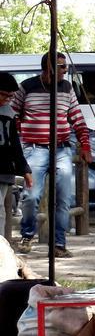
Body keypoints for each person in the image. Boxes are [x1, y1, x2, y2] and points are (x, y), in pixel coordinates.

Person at [11, 52, 91, 258]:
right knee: (31, 196)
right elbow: (12, 113)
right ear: (49, 68)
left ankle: (59, 244)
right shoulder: (27, 86)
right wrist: (24, 130)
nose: (66, 70)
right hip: (36, 148)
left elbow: (77, 118)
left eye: (65, 67)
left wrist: (85, 145)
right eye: (62, 67)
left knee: (63, 199)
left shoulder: (66, 87)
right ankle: (27, 234)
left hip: (62, 148)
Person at [0, 72, 31, 238]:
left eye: (10, 96)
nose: (7, 99)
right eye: (4, 95)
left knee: (1, 211)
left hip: (4, 168)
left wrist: (24, 169)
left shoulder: (9, 113)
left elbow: (15, 144)